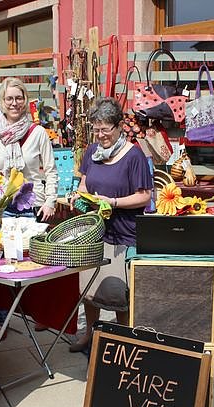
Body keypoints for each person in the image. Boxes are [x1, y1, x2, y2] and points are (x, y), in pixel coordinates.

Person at [68, 97, 153, 352]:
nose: (100, 135)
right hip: (94, 231)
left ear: (119, 127)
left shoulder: (134, 155)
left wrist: (113, 202)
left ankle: (122, 340)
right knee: (89, 287)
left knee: (118, 292)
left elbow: (145, 196)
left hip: (123, 234)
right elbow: (85, 184)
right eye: (96, 129)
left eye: (105, 129)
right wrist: (78, 196)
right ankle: (90, 333)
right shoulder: (92, 152)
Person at [0, 77, 58, 330]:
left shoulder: (38, 133)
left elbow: (51, 171)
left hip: (31, 206)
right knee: (5, 265)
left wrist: (50, 201)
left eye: (19, 98)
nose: (14, 103)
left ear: (25, 100)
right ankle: (3, 318)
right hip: (3, 208)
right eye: (9, 99)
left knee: (31, 262)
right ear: (2, 102)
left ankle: (38, 313)